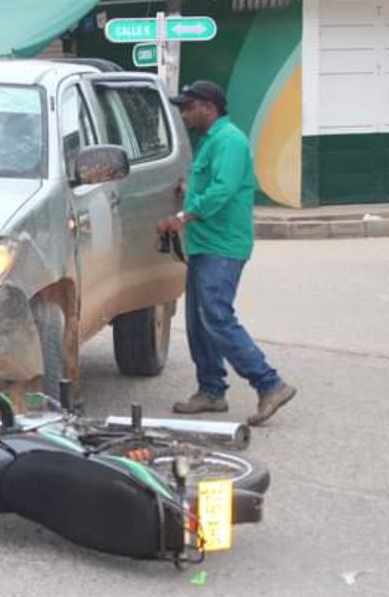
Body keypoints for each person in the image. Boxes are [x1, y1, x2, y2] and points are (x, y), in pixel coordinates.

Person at [158, 80, 296, 426]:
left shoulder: (229, 140)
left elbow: (222, 189)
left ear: (208, 106)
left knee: (216, 316)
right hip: (206, 243)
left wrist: (182, 217)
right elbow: (209, 183)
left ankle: (269, 383)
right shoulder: (212, 142)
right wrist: (187, 190)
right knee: (198, 322)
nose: (185, 114)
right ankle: (211, 391)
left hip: (223, 244)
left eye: (188, 108)